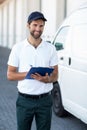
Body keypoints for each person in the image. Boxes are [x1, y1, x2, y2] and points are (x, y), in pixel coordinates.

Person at [7, 11, 58, 130]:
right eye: (35, 25)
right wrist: (30, 74)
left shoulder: (50, 48)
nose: (38, 29)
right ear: (28, 25)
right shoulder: (18, 48)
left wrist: (47, 79)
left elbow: (56, 75)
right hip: (25, 101)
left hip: (45, 100)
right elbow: (10, 74)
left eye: (41, 26)